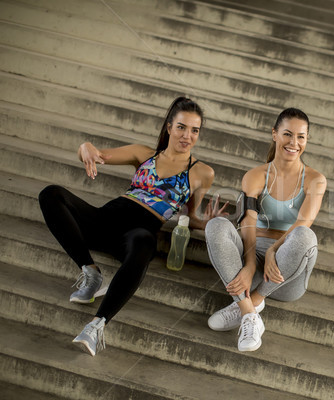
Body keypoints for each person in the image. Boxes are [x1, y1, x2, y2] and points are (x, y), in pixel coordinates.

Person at [38, 97, 227, 356]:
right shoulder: (144, 153)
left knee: (145, 241)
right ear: (170, 127)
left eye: (195, 130)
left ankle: (96, 325)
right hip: (106, 219)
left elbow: (189, 215)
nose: (188, 136)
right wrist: (84, 147)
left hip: (137, 236)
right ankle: (91, 272)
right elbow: (98, 155)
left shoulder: (202, 172)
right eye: (182, 127)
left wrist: (207, 223)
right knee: (51, 194)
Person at [204, 108, 327, 352]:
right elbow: (248, 221)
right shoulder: (255, 176)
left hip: (285, 275)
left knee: (305, 236)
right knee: (216, 225)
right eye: (287, 134)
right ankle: (249, 314)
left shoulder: (316, 180)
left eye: (301, 136)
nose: (294, 143)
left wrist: (272, 250)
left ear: (307, 140)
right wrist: (250, 265)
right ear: (274, 134)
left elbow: (303, 223)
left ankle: (254, 300)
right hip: (252, 262)